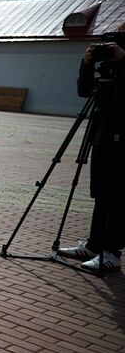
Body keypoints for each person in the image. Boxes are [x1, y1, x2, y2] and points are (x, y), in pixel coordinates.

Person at [56, 26, 125, 273]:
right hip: (102, 131)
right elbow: (85, 91)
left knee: (117, 195)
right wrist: (86, 64)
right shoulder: (110, 69)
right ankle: (95, 245)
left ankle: (112, 252)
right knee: (101, 191)